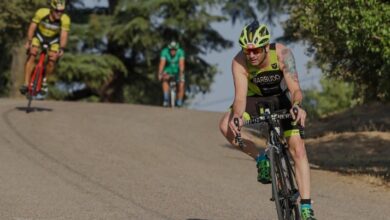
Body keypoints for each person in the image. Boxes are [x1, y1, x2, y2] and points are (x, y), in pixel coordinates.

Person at [219, 21, 317, 220]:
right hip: (253, 100)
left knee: (298, 148)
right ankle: (261, 159)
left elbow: (295, 89)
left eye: (255, 50)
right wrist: (237, 118)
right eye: (247, 51)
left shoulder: (282, 54)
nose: (251, 55)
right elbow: (239, 98)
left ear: (265, 46)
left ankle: (306, 207)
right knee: (225, 126)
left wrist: (297, 106)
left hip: (280, 99)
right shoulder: (239, 61)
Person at [19, 0, 71, 95]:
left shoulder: (65, 19)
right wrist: (29, 41)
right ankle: (26, 83)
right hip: (39, 36)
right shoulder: (41, 12)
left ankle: (44, 81)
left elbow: (64, 35)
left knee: (52, 59)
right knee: (32, 53)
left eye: (62, 11)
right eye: (57, 11)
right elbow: (32, 27)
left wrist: (62, 48)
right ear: (51, 9)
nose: (59, 13)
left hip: (53, 40)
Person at [157, 41, 185, 107]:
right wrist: (160, 73)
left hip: (177, 70)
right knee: (164, 78)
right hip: (168, 70)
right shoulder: (164, 52)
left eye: (174, 50)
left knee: (181, 84)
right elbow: (162, 64)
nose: (172, 51)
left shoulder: (180, 52)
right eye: (171, 50)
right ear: (169, 49)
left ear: (177, 49)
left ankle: (179, 101)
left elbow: (181, 65)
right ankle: (166, 98)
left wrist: (181, 74)